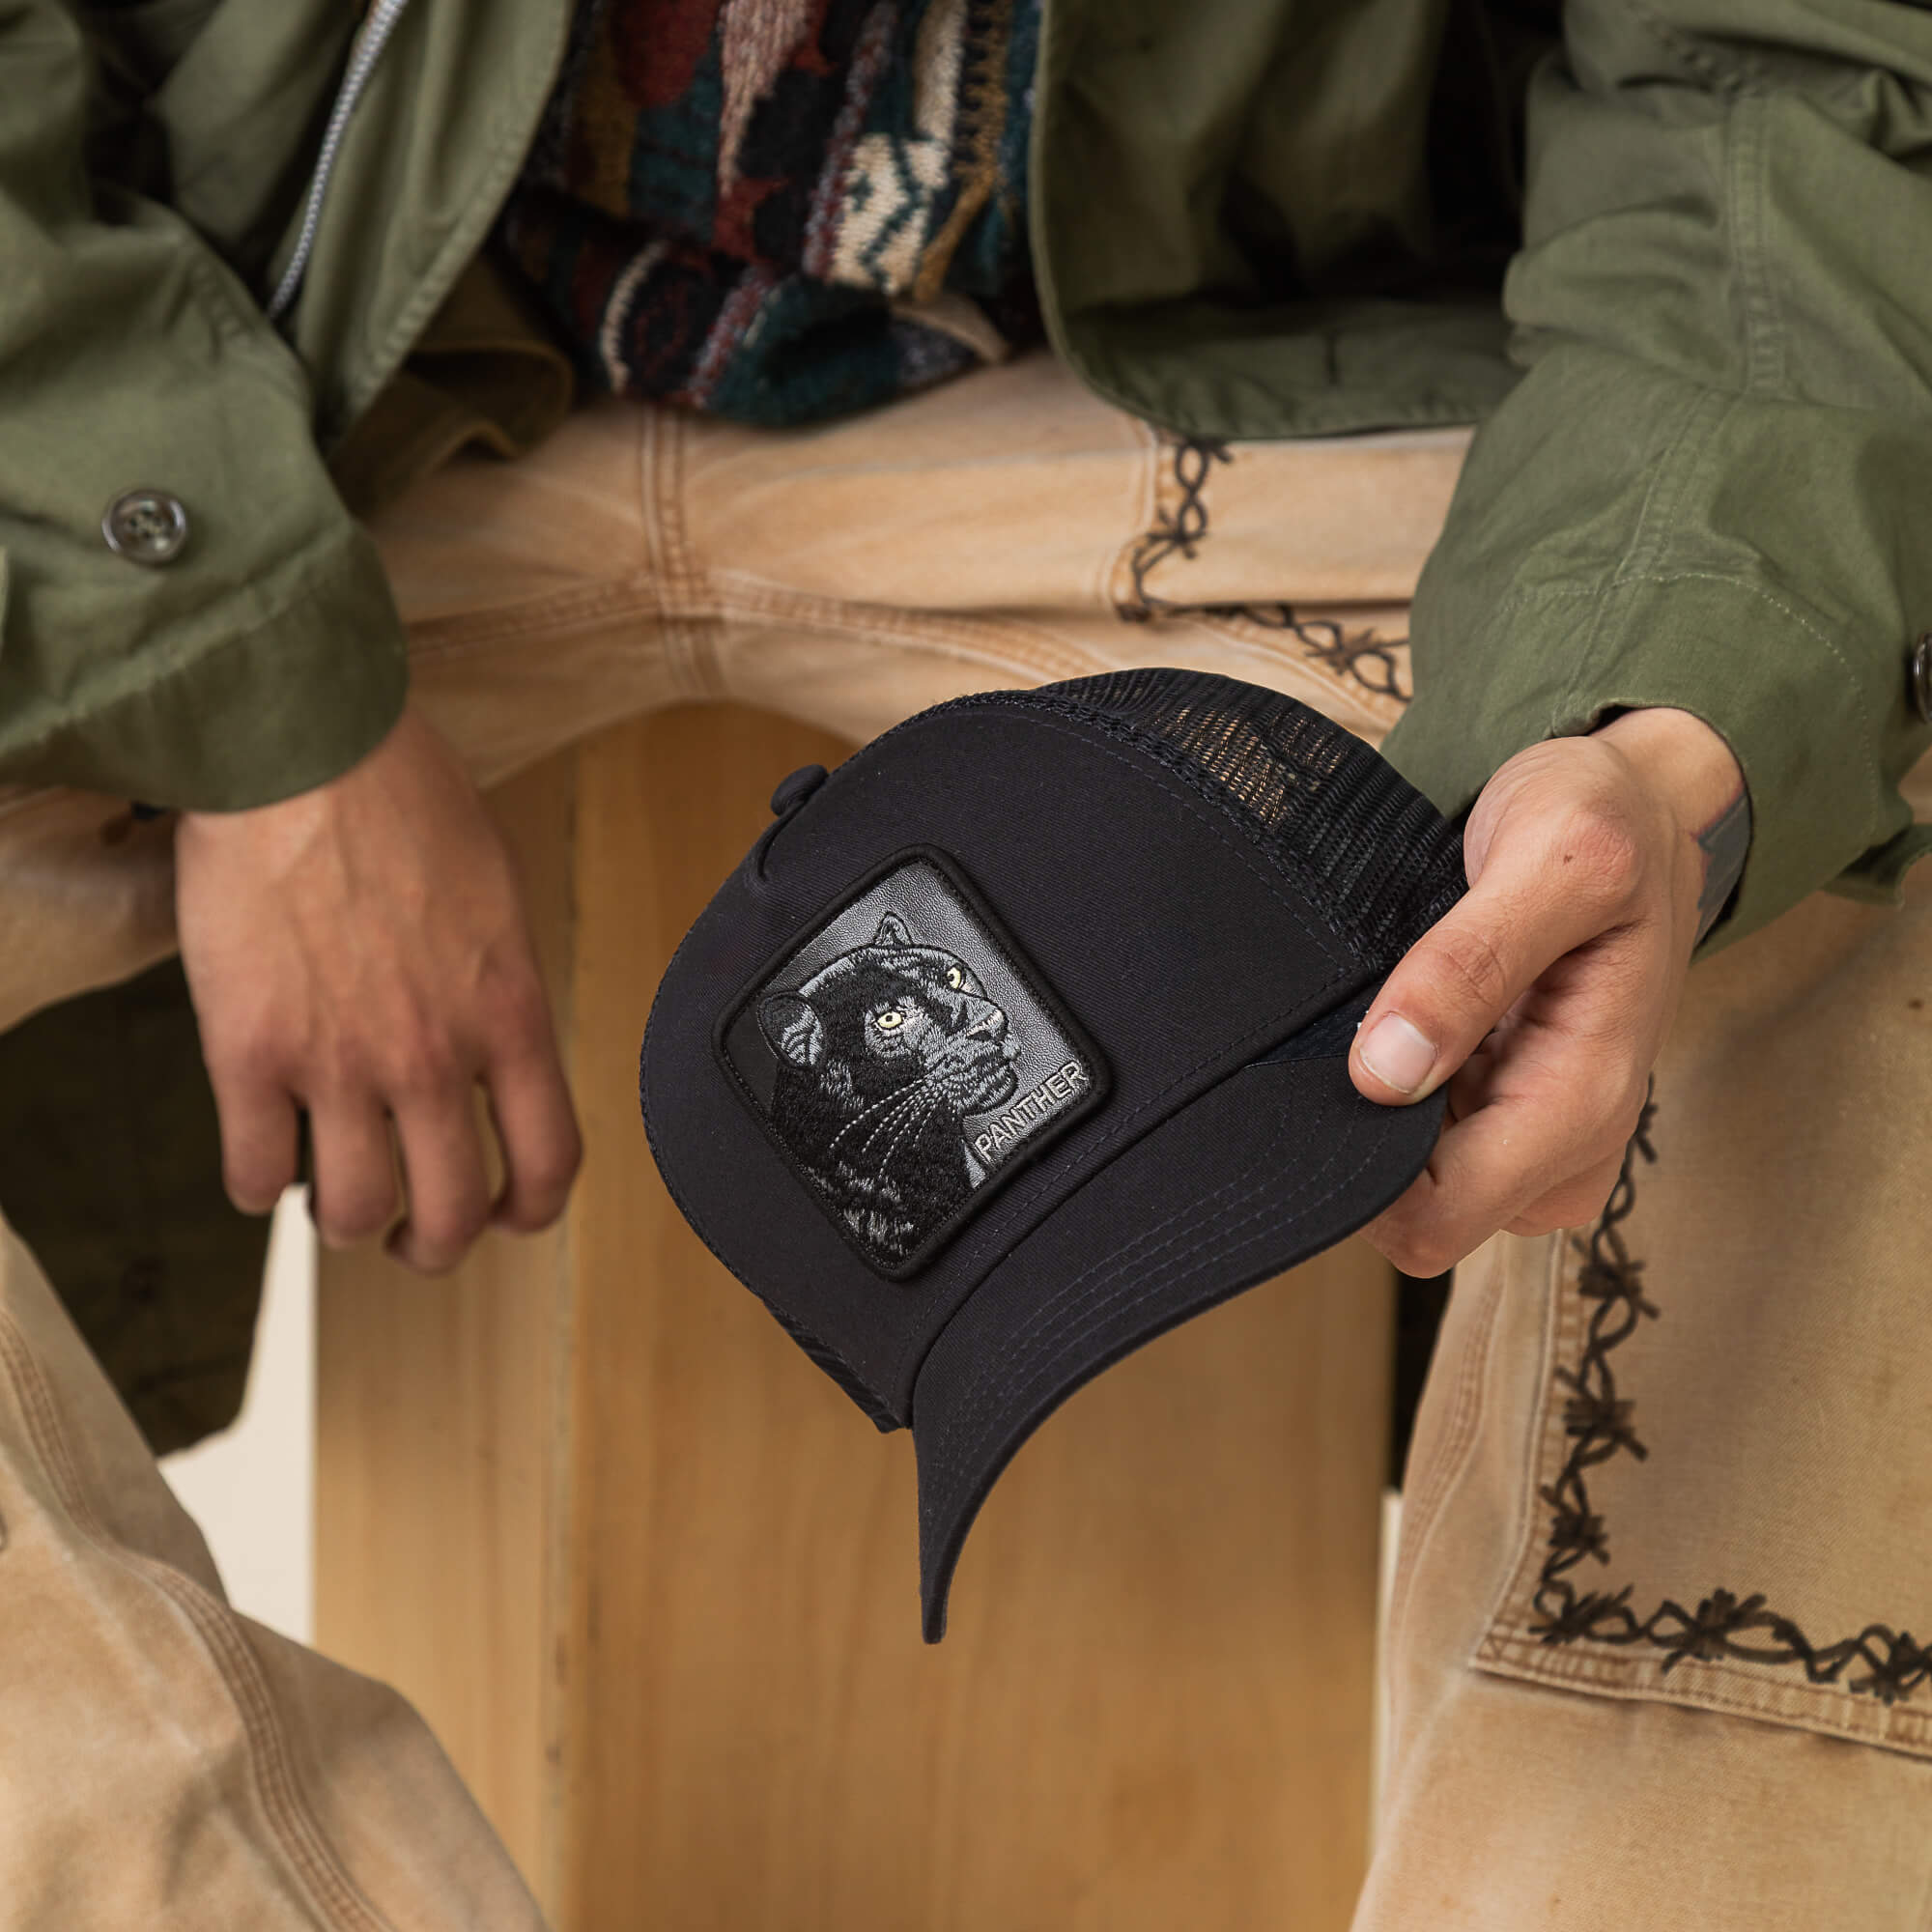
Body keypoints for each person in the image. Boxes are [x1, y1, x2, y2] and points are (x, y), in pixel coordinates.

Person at [2, 0, 1929, 1922]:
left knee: (1829, 816)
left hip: (1188, 373)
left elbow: (1779, 71)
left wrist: (1664, 719)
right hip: (250, 381)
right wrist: (242, 662)